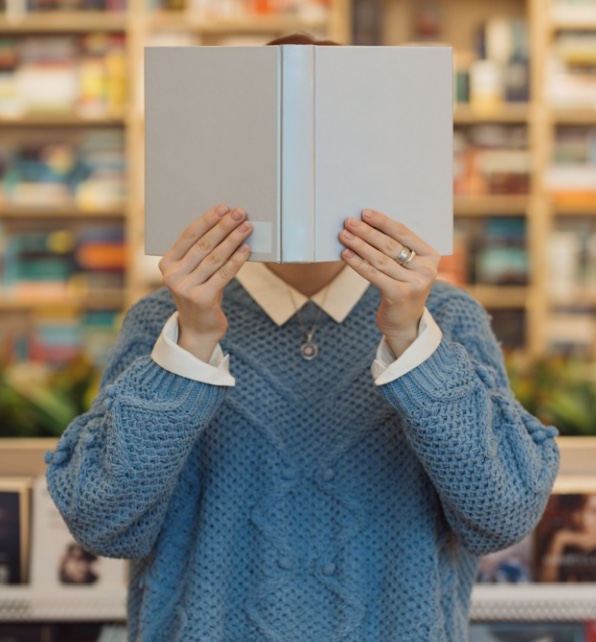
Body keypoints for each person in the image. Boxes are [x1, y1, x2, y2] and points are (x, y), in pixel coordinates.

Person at [45, 33, 560, 642]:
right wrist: (191, 343)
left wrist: (413, 340)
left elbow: (502, 514)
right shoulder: (163, 318)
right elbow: (102, 524)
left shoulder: (448, 317)